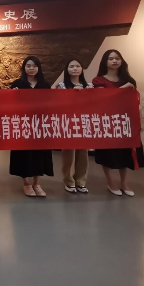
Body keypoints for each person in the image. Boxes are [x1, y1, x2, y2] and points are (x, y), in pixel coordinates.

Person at [93, 49, 144, 197]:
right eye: (111, 58)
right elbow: (104, 99)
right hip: (107, 122)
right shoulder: (98, 80)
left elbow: (134, 104)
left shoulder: (128, 80)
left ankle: (124, 182)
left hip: (124, 121)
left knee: (125, 153)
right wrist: (123, 89)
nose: (114, 61)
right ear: (105, 62)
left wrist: (138, 122)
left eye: (117, 58)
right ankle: (110, 182)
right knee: (107, 154)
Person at [10, 56, 53, 197]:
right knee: (24, 153)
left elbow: (52, 103)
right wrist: (12, 94)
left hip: (40, 124)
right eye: (28, 66)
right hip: (23, 124)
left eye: (34, 66)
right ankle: (26, 183)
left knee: (39, 153)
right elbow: (9, 103)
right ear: (24, 68)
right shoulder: (18, 84)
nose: (31, 68)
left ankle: (36, 183)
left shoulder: (45, 85)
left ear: (38, 68)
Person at [56, 59, 93, 194]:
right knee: (68, 154)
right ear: (67, 69)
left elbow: (94, 105)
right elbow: (58, 105)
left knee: (83, 153)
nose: (75, 68)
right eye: (71, 66)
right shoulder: (61, 86)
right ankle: (69, 181)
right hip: (68, 123)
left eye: (78, 66)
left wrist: (89, 93)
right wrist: (72, 94)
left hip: (84, 122)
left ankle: (81, 182)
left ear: (82, 69)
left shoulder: (89, 86)